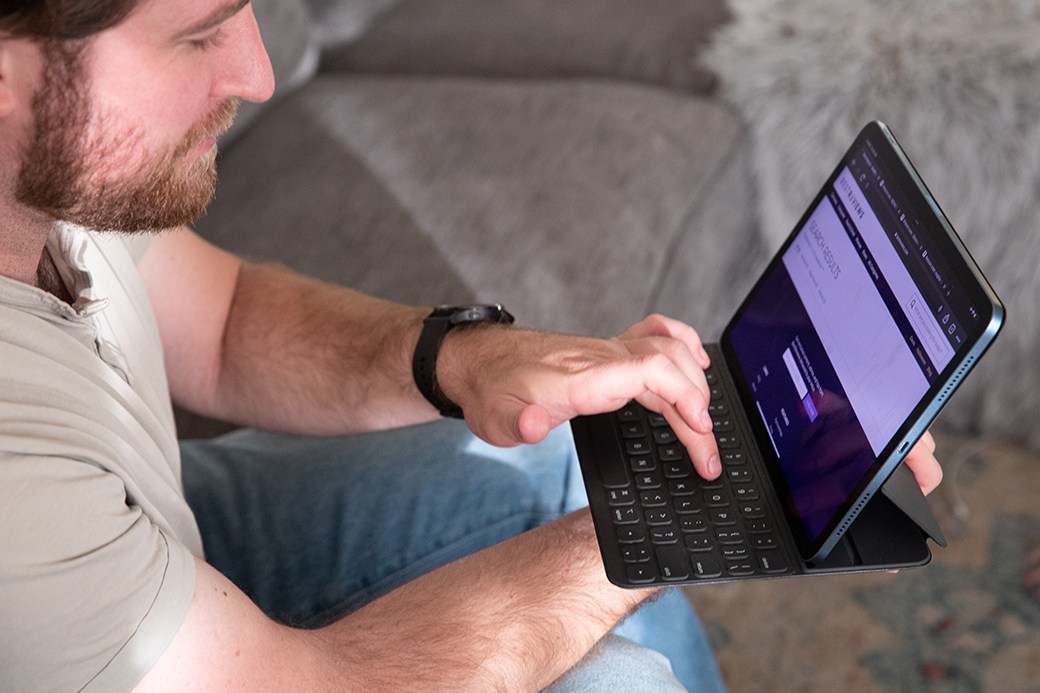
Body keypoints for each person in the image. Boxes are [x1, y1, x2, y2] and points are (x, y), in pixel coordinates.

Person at [0, 1, 944, 690]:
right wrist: (716, 520)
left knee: (575, 454)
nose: (256, 71)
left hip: (137, 530)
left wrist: (465, 358)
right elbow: (317, 686)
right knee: (619, 680)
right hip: (123, 616)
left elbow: (224, 318)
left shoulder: (62, 178)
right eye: (200, 32)